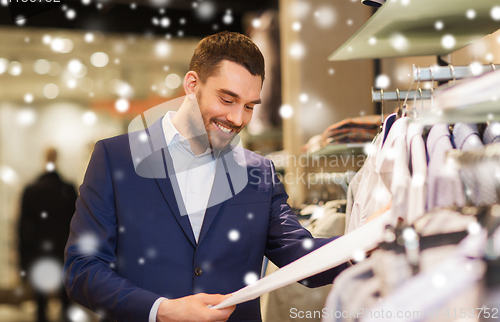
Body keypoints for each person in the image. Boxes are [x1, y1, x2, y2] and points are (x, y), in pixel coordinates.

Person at [63, 31, 348, 322]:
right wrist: (161, 310)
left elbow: (299, 253)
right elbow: (83, 269)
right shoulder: (116, 158)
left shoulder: (259, 172)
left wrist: (367, 242)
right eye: (227, 100)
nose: (238, 119)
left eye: (249, 106)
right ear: (192, 84)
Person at [19, 148, 77, 322]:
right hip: (64, 250)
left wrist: (23, 258)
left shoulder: (31, 190)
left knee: (40, 303)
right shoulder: (67, 189)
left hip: (38, 251)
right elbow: (77, 225)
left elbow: (23, 228)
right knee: (66, 302)